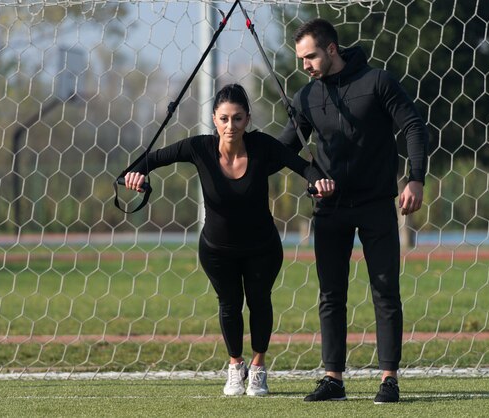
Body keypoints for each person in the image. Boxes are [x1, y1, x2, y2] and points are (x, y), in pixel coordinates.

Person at [124, 83, 335, 397]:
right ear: (214, 119)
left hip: (262, 248)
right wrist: (135, 175)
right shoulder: (199, 147)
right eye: (224, 118)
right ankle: (236, 366)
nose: (230, 125)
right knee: (229, 306)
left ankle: (259, 368)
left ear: (247, 119)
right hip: (217, 250)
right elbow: (152, 158)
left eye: (237, 118)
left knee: (260, 302)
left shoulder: (262, 146)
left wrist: (319, 180)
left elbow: (303, 165)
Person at [278, 19, 429, 403]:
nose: (305, 65)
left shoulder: (377, 82)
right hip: (329, 209)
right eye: (300, 59)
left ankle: (389, 379)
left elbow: (412, 124)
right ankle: (333, 379)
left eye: (311, 56)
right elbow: (283, 150)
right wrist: (312, 176)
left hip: (377, 205)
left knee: (385, 291)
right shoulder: (305, 97)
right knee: (331, 294)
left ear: (332, 49)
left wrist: (415, 178)